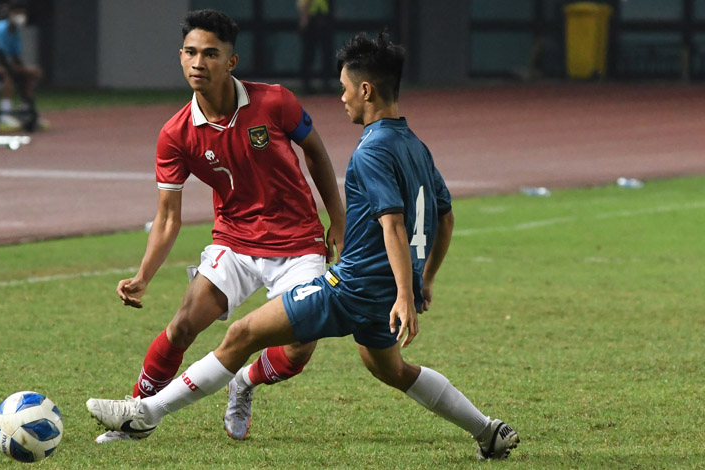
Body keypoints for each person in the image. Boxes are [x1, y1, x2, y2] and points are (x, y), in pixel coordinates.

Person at [87, 31, 520, 461]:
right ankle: (487, 431)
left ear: (365, 89)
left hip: (354, 288)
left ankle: (144, 414)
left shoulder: (370, 150)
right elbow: (444, 217)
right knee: (391, 369)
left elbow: (392, 223)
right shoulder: (416, 146)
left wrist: (408, 292)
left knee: (241, 334)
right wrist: (423, 281)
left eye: (345, 89)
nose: (342, 98)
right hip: (384, 293)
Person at [92, 9, 345, 444]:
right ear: (180, 56)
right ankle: (135, 417)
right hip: (235, 242)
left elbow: (317, 156)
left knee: (300, 349)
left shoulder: (276, 101)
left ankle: (244, 381)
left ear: (231, 61)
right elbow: (169, 215)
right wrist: (142, 276)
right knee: (184, 324)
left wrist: (336, 221)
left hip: (299, 245)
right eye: (190, 52)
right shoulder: (176, 134)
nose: (198, 63)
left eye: (210, 54)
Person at [0, 0, 43, 130]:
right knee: (8, 73)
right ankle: (5, 114)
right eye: (18, 12)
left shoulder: (15, 31)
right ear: (10, 13)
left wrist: (26, 69)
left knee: (30, 74)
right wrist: (19, 68)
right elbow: (0, 57)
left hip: (7, 65)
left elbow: (16, 56)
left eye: (23, 13)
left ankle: (26, 109)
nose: (21, 16)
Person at [297, 0, 333, 94]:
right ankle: (306, 85)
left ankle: (325, 84)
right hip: (312, 19)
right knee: (309, 54)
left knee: (325, 54)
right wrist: (304, 17)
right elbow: (303, 3)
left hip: (323, 18)